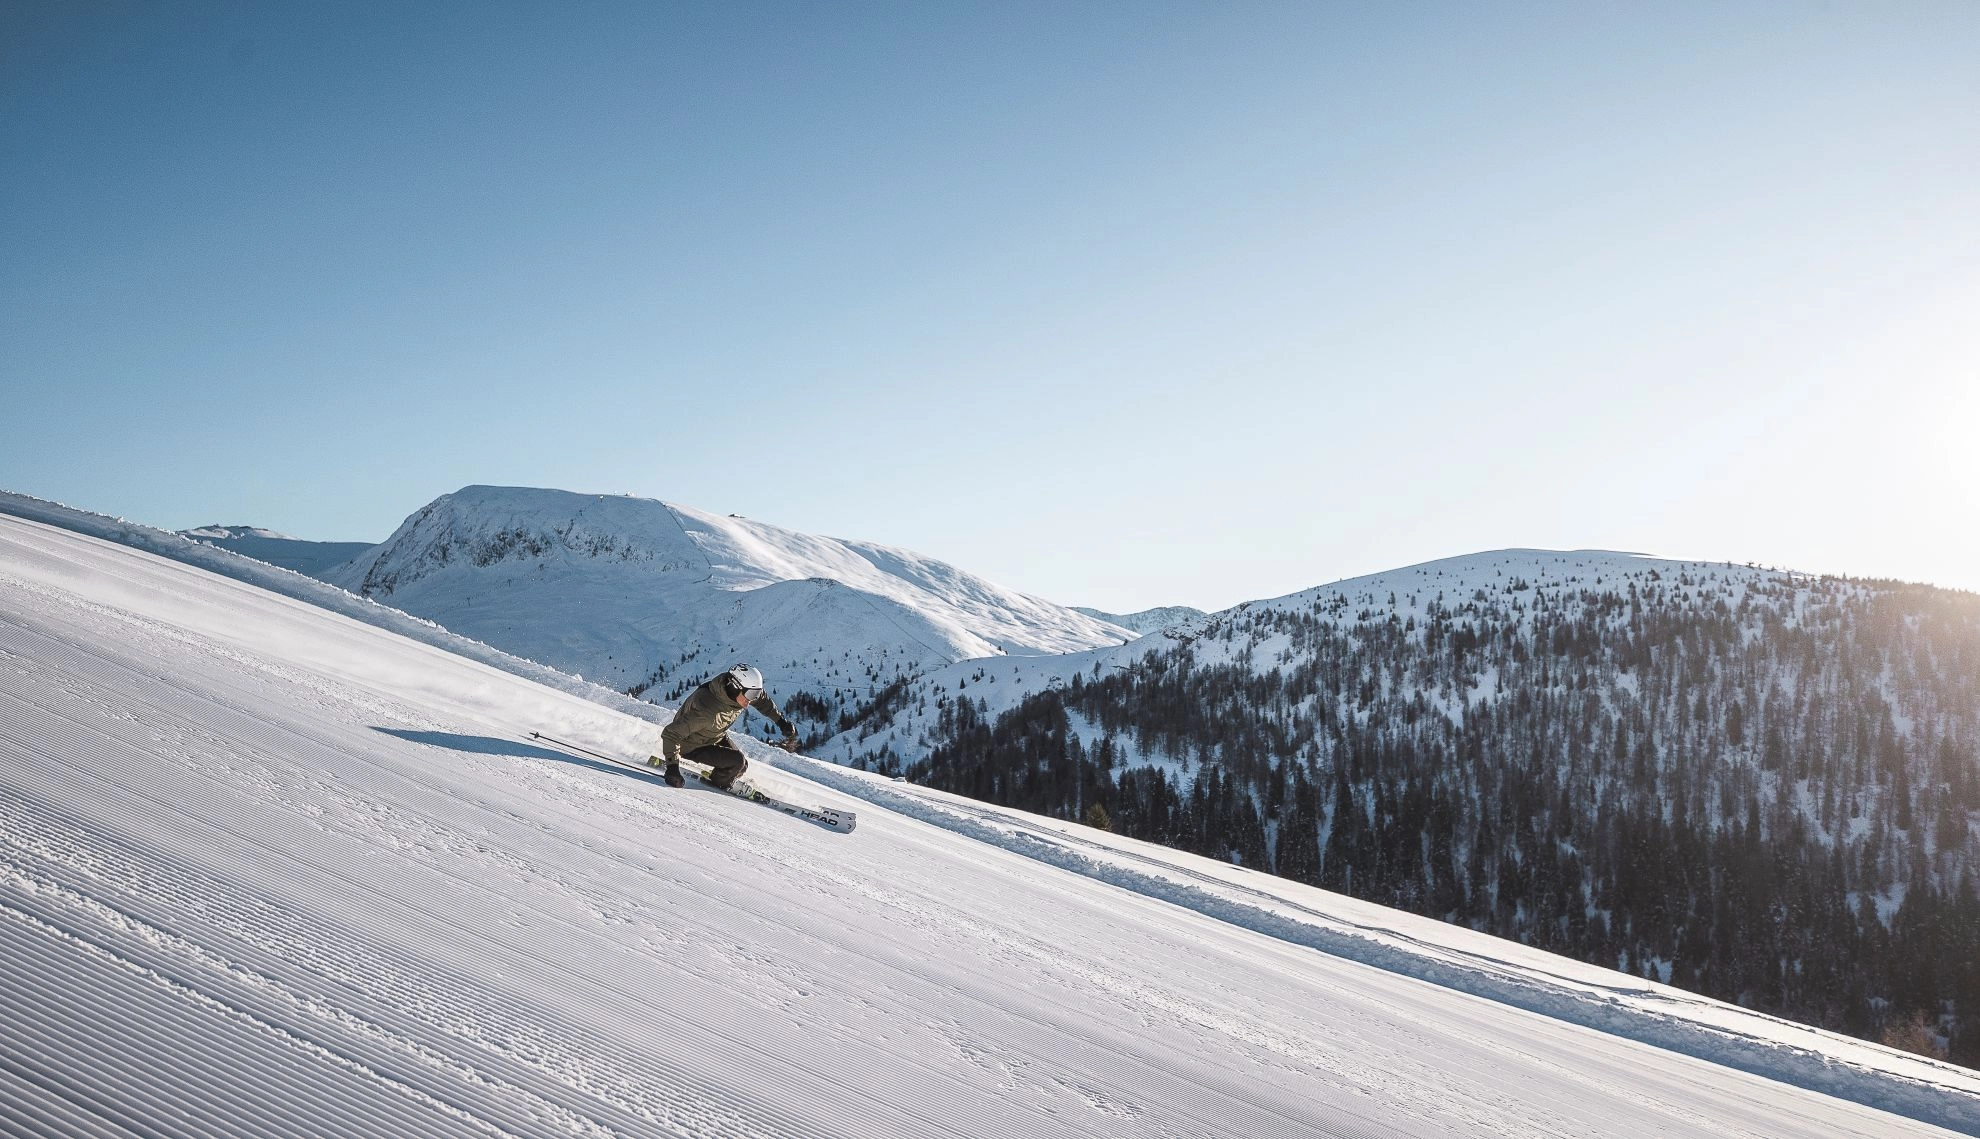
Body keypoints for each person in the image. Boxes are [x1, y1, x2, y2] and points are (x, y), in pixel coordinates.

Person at [648, 664, 798, 789]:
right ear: (735, 686)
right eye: (750, 695)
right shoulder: (707, 711)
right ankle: (720, 784)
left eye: (755, 694)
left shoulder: (736, 694)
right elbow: (671, 733)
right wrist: (672, 768)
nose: (751, 701)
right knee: (737, 762)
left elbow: (762, 700)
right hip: (690, 744)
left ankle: (721, 775)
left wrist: (781, 722)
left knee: (742, 765)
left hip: (712, 734)